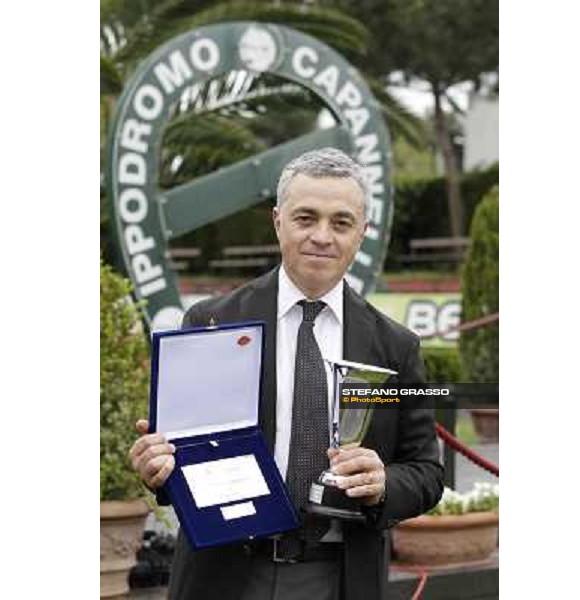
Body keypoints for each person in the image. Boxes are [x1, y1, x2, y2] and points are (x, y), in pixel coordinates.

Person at [129, 147, 444, 600]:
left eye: (341, 222)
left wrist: (384, 484)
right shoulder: (213, 322)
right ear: (278, 221)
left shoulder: (395, 346)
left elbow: (426, 472)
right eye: (305, 218)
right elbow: (182, 451)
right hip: (225, 576)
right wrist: (157, 465)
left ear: (362, 233)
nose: (322, 236)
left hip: (339, 578)